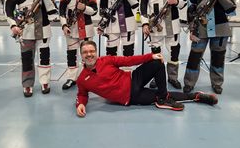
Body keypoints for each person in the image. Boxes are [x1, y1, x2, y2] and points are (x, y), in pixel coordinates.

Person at [75, 40, 218, 117]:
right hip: (130, 98)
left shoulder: (106, 60)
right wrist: (80, 104)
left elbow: (128, 60)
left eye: (92, 51)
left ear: (96, 52)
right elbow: (82, 94)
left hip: (133, 79)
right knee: (165, 95)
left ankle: (162, 99)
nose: (89, 54)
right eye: (85, 52)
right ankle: (198, 96)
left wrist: (150, 56)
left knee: (157, 63)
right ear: (81, 55)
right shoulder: (82, 79)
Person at [5, 0, 57, 97]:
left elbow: (54, 14)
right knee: (27, 59)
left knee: (44, 58)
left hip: (44, 31)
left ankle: (45, 82)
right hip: (26, 32)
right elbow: (8, 8)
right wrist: (13, 25)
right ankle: (27, 84)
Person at [183, 0, 236, 94]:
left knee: (218, 58)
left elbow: (231, 10)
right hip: (200, 30)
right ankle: (189, 83)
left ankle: (217, 84)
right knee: (194, 58)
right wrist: (191, 31)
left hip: (220, 30)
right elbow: (190, 14)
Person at [140, 0, 187, 89]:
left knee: (174, 52)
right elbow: (142, 6)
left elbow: (185, 2)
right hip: (155, 25)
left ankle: (172, 78)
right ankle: (157, 77)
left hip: (173, 25)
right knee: (156, 54)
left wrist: (177, 1)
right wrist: (144, 23)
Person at [59, 0, 98, 90]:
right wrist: (64, 25)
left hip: (86, 28)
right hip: (71, 28)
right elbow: (61, 11)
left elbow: (94, 11)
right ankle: (72, 78)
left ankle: (89, 76)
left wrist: (84, 8)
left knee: (88, 54)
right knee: (71, 54)